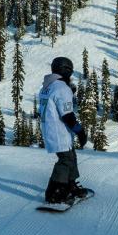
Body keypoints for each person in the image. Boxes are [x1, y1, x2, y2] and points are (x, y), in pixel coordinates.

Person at [36, 56, 93, 204]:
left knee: (71, 156)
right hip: (58, 130)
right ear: (66, 70)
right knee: (65, 160)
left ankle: (70, 186)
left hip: (51, 128)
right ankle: (54, 193)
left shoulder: (48, 86)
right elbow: (67, 114)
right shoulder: (61, 88)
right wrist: (80, 131)